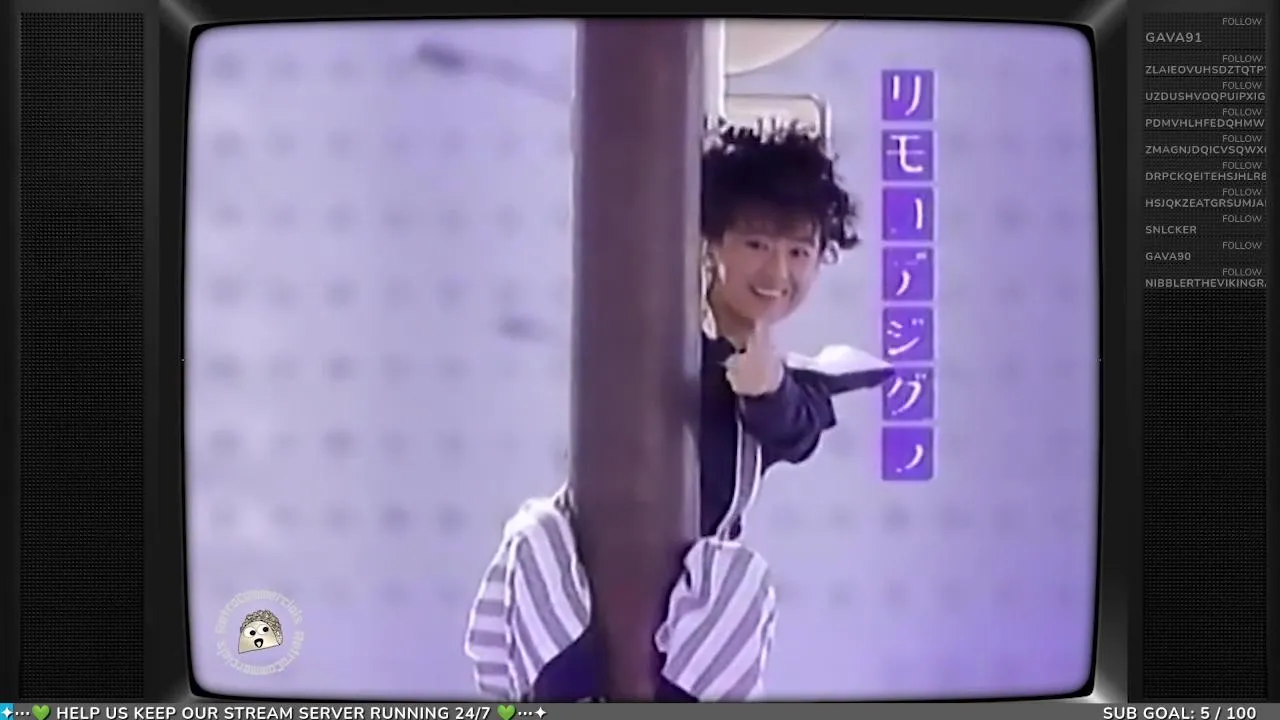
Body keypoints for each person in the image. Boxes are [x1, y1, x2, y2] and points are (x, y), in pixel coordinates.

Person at [464, 123, 893, 701]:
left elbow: (795, 429)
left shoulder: (793, 380)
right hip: (581, 573)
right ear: (712, 242)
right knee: (534, 534)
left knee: (740, 577)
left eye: (799, 252)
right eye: (756, 245)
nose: (777, 273)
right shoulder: (651, 327)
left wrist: (765, 389)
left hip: (686, 608)